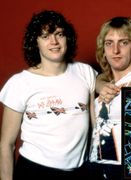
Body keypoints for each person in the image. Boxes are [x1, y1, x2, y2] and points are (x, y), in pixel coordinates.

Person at [0, 10, 96, 180]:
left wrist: (102, 84)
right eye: (45, 36)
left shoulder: (85, 72)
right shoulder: (20, 82)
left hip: (80, 172)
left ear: (67, 38)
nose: (54, 42)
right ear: (35, 43)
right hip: (35, 171)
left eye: (59, 34)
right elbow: (6, 144)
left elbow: (108, 90)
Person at [85, 17, 131, 180]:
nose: (115, 50)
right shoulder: (105, 82)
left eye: (123, 42)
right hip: (96, 165)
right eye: (109, 43)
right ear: (103, 49)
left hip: (125, 170)